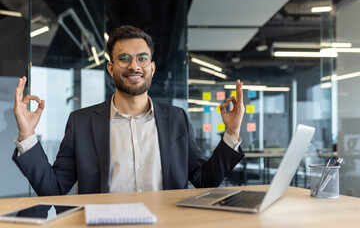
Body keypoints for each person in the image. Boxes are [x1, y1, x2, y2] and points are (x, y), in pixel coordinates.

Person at [12, 26, 245, 196]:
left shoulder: (177, 119)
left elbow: (204, 181)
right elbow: (53, 189)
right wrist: (27, 136)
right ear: (111, 68)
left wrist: (232, 133)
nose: (134, 66)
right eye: (124, 58)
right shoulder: (81, 122)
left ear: (152, 68)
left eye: (142, 58)